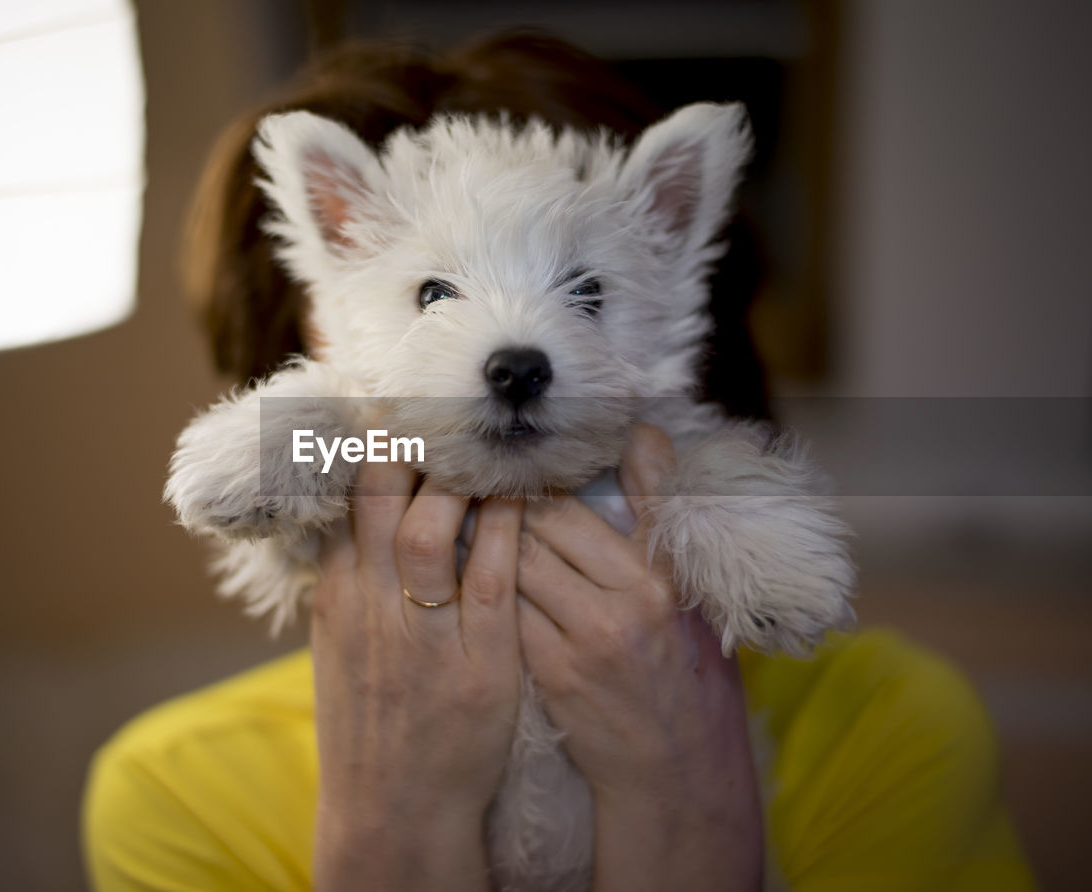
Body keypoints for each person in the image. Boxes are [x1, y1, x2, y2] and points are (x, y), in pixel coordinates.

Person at [82, 34, 1035, 891]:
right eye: (435, 292)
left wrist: (686, 801)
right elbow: (331, 442)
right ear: (317, 324)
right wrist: (393, 831)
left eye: (585, 290)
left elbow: (724, 495)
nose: (513, 347)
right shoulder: (176, 792)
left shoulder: (889, 728)